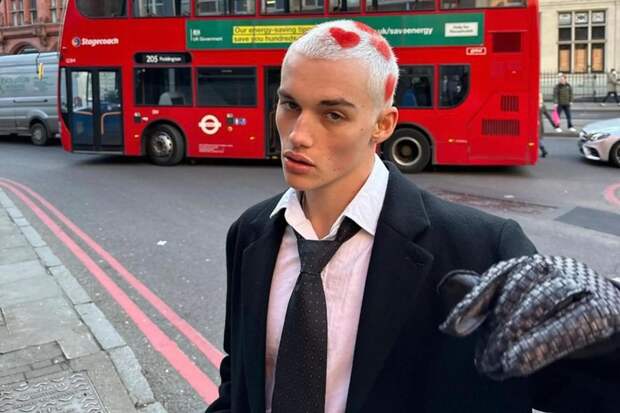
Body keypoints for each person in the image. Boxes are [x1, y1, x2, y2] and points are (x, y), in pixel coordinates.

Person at [206, 20, 619, 413]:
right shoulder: (250, 233)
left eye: (333, 114)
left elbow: (584, 390)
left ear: (383, 125)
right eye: (290, 104)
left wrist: (611, 329)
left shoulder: (482, 248)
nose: (298, 134)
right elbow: (240, 378)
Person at [538, 92, 552, 157]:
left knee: (535, 138)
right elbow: (548, 115)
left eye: (540, 97)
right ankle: (543, 150)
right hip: (539, 124)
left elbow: (548, 115)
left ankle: (543, 150)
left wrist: (555, 124)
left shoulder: (536, 104)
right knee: (536, 138)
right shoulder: (543, 105)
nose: (540, 98)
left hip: (536, 125)